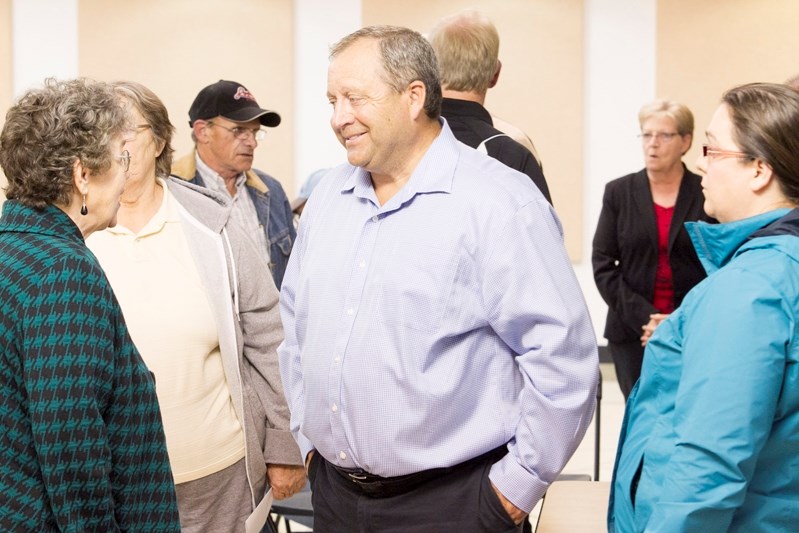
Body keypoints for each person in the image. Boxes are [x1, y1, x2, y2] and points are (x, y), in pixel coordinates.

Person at [278, 25, 598, 532]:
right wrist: (308, 440)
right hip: (337, 498)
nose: (339, 118)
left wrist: (513, 490)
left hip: (452, 506)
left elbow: (565, 360)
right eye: (332, 100)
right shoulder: (327, 200)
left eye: (355, 98)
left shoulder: (499, 203)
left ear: (414, 97)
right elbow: (295, 326)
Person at [86, 81, 305, 531]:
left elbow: (267, 335)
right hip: (119, 477)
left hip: (219, 474)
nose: (116, 146)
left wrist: (284, 444)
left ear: (161, 139)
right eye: (103, 133)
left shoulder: (212, 223)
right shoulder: (78, 228)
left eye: (128, 131)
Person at [609, 82, 799, 531]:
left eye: (712, 150)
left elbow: (706, 467)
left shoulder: (749, 291)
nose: (701, 164)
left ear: (759, 170)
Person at [0, 78, 180, 531]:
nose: (128, 176)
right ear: (82, 175)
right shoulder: (63, 272)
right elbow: (72, 450)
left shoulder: (14, 251)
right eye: (122, 159)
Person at [592, 99, 712, 399]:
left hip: (692, 326)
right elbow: (603, 263)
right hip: (633, 332)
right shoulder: (619, 192)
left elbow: (717, 261)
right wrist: (648, 318)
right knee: (640, 415)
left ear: (686, 141)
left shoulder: (706, 191)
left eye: (664, 135)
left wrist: (675, 320)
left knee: (686, 411)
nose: (653, 144)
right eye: (646, 135)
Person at [171, 79, 296, 289]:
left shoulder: (271, 190)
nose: (252, 143)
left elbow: (295, 272)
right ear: (203, 131)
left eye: (255, 132)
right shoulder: (172, 190)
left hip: (272, 321)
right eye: (239, 131)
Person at [427, 10, 552, 203]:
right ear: (496, 73)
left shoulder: (401, 139)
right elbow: (541, 230)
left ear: (430, 68)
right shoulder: (513, 147)